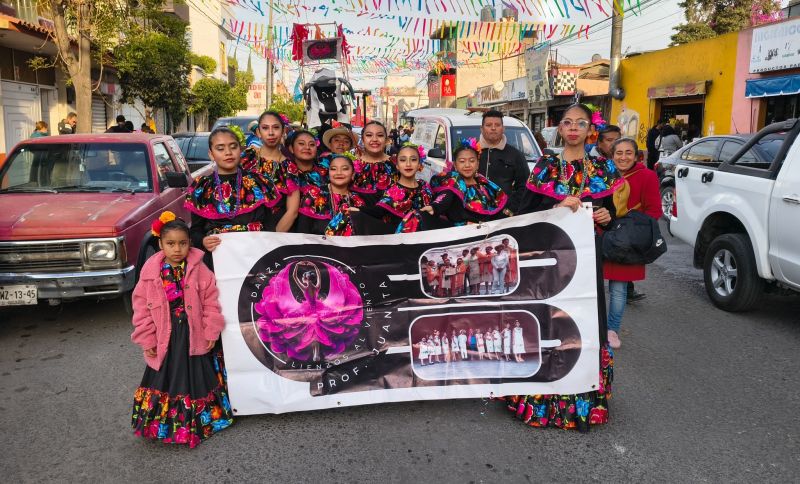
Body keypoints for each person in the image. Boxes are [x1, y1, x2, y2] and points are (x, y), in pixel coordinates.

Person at [508, 103, 624, 431]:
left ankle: (583, 400)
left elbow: (611, 214)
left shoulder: (602, 168)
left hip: (587, 259)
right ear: (560, 128)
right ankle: (543, 397)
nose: (573, 128)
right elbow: (525, 213)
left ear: (591, 130)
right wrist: (556, 206)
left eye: (580, 123)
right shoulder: (545, 166)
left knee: (585, 322)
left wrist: (607, 216)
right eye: (568, 123)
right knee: (550, 321)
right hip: (549, 258)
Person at [130, 213, 233, 448]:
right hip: (165, 337)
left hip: (193, 334)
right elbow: (141, 310)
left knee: (197, 377)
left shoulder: (200, 269)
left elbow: (210, 302)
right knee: (167, 379)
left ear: (190, 243)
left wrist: (210, 332)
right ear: (160, 244)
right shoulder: (149, 275)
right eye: (171, 243)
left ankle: (203, 422)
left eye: (183, 243)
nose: (177, 249)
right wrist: (148, 339)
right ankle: (167, 425)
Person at [184, 127, 284, 269]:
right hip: (218, 260)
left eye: (233, 147)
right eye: (220, 148)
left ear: (240, 150)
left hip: (257, 256)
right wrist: (203, 241)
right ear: (211, 154)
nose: (228, 153)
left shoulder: (258, 182)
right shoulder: (203, 187)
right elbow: (195, 230)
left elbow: (270, 224)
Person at [603, 138, 662, 349]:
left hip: (628, 241)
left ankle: (612, 330)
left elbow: (654, 210)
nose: (623, 157)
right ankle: (592, 329)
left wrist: (630, 228)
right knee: (592, 288)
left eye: (628, 153)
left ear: (637, 156)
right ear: (612, 156)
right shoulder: (602, 175)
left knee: (619, 290)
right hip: (601, 235)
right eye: (619, 153)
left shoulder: (647, 176)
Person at [397, 140, 507, 233]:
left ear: (478, 163)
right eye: (462, 161)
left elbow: (496, 210)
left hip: (484, 235)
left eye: (472, 161)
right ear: (455, 164)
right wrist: (434, 207)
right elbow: (445, 197)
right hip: (457, 234)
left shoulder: (484, 184)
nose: (467, 165)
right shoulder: (452, 181)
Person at [352, 143, 432, 234]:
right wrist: (359, 210)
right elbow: (378, 211)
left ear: (419, 165)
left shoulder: (425, 186)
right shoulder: (393, 190)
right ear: (397, 165)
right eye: (403, 160)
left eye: (413, 160)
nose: (408, 164)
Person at [240, 111, 300, 232]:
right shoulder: (247, 158)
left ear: (283, 131)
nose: (271, 133)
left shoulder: (289, 166)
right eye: (265, 128)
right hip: (244, 232)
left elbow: (292, 211)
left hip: (276, 230)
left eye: (276, 127)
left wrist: (273, 238)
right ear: (258, 133)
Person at [296, 154, 365, 236]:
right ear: (328, 173)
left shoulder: (357, 200)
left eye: (345, 169)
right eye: (333, 169)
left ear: (353, 174)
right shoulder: (314, 195)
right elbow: (302, 231)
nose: (339, 173)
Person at [479, 110, 530, 217]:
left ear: (503, 128)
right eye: (488, 125)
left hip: (503, 216)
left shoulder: (515, 155)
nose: (493, 128)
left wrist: (510, 210)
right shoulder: (471, 152)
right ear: (481, 129)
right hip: (474, 215)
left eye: (497, 125)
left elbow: (524, 185)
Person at [352, 121, 396, 205]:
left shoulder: (396, 164)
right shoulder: (351, 165)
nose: (375, 139)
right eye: (369, 135)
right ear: (363, 140)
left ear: (386, 140)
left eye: (380, 135)